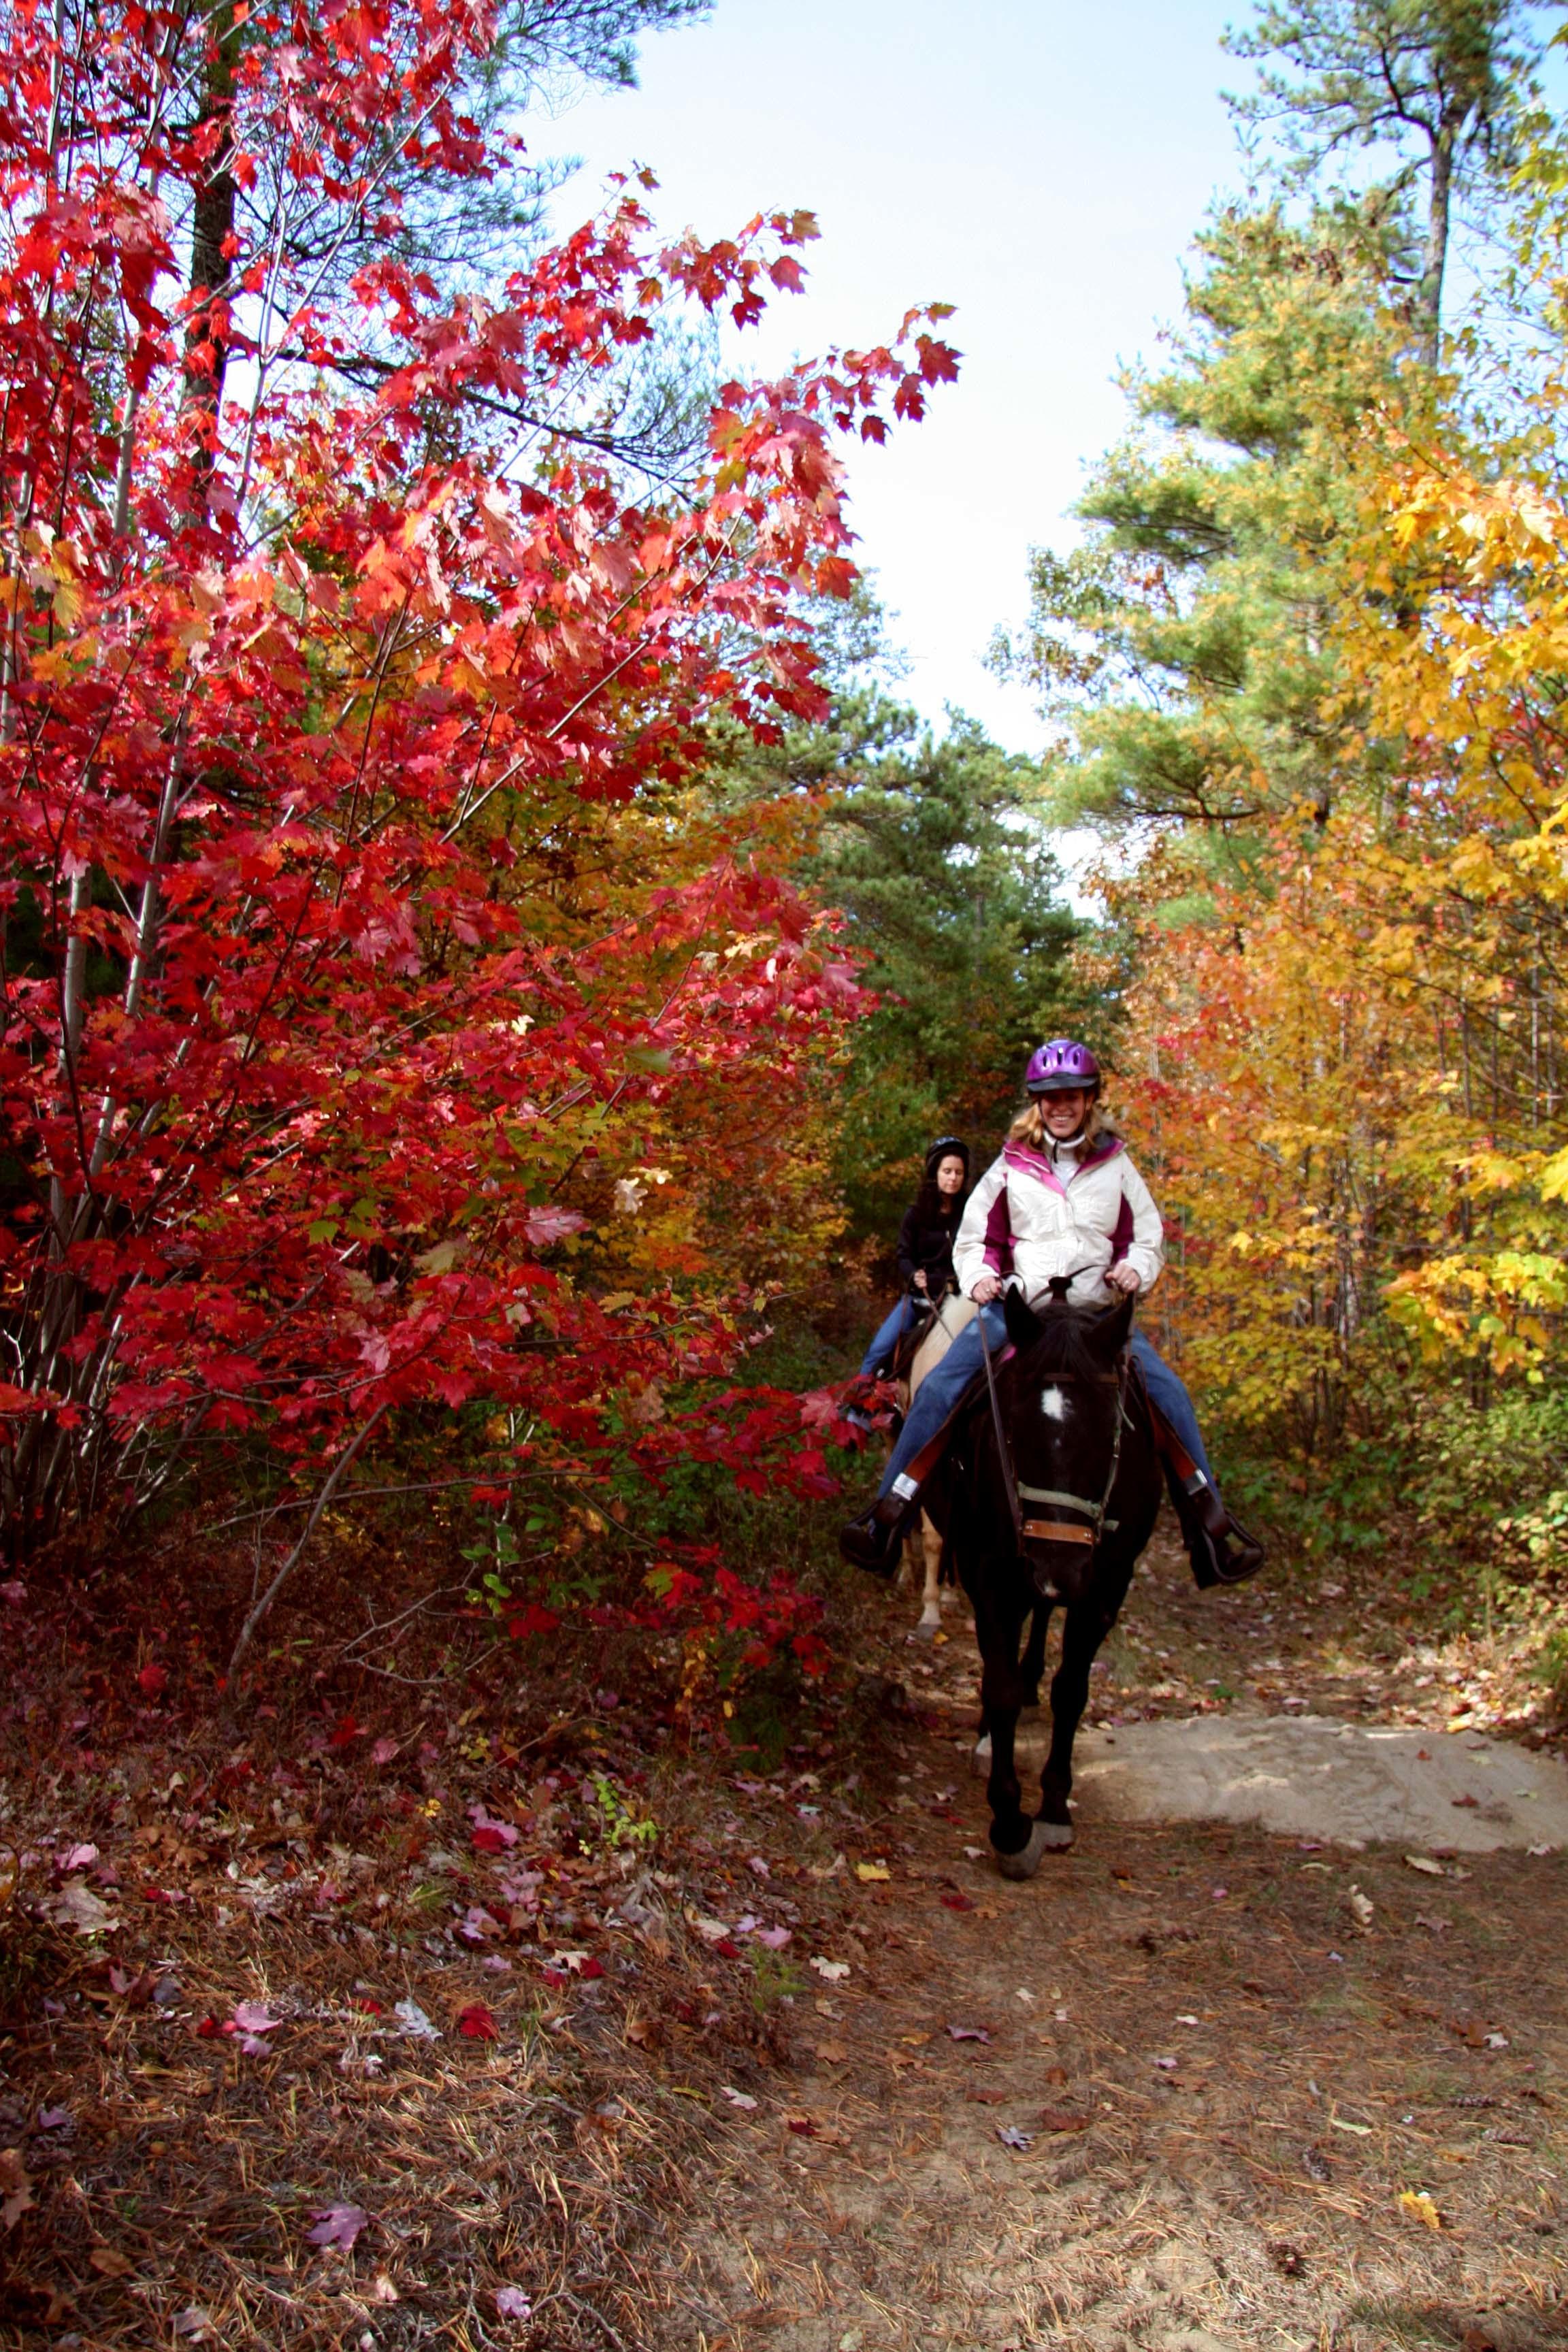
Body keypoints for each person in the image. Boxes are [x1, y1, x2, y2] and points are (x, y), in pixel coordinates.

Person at [837, 1039, 1264, 1588]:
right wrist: (980, 1277)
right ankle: (886, 1520)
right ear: (1036, 1103)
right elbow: (974, 1239)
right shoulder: (1010, 1166)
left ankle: (1211, 1533)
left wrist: (1135, 1268)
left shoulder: (1117, 1165)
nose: (1060, 1105)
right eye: (1048, 1097)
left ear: (1089, 1099)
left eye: (1071, 1096)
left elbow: (1147, 1237)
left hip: (1096, 1317)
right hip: (1023, 1313)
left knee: (1171, 1396)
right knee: (941, 1388)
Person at [853, 1136, 971, 1386]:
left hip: (958, 1300)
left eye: (959, 1173)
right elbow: (904, 1254)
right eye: (947, 1171)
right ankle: (857, 1413)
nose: (953, 1178)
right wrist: (913, 1274)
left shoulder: (971, 1213)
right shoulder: (916, 1213)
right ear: (935, 1173)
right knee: (879, 1350)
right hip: (919, 1298)